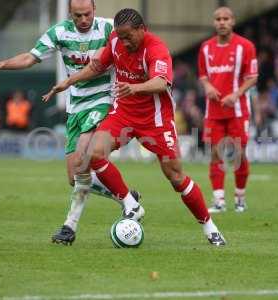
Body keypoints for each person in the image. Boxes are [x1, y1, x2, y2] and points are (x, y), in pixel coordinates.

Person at [43, 8, 226, 246]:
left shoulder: (156, 48)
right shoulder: (117, 40)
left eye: (128, 36)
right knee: (94, 154)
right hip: (124, 114)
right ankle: (131, 204)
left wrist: (135, 88)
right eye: (120, 36)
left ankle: (210, 228)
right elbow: (97, 66)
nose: (124, 41)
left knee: (175, 176)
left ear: (142, 30)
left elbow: (161, 82)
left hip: (156, 120)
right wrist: (68, 81)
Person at [0, 0, 141, 245]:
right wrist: (2, 64)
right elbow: (30, 58)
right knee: (75, 176)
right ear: (70, 14)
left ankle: (69, 227)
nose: (84, 19)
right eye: (78, 16)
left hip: (103, 100)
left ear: (94, 10)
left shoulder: (109, 28)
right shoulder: (59, 32)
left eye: (87, 14)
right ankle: (127, 198)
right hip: (75, 106)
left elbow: (138, 41)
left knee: (84, 158)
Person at [198, 7, 258, 213]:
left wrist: (236, 94)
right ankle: (219, 201)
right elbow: (203, 75)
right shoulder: (205, 48)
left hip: (238, 111)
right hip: (213, 112)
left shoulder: (246, 46)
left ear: (233, 21)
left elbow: (253, 76)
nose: (222, 22)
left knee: (238, 155)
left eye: (226, 19)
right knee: (215, 154)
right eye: (218, 19)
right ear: (214, 23)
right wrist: (208, 86)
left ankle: (240, 198)